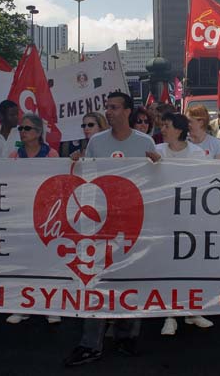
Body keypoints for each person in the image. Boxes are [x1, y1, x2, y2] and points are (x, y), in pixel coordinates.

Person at [64, 91, 157, 366]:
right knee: (95, 280)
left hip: (132, 222)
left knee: (131, 279)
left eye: (114, 107)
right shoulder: (96, 142)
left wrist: (159, 168)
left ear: (128, 111)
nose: (109, 112)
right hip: (101, 223)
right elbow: (88, 179)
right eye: (107, 107)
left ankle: (127, 335)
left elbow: (154, 182)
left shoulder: (145, 142)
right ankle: (90, 343)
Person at [156, 113, 212, 336]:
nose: (162, 129)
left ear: (178, 130)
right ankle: (169, 315)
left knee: (190, 265)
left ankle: (192, 310)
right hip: (163, 218)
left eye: (166, 126)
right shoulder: (157, 151)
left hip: (190, 218)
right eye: (162, 125)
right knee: (169, 266)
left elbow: (204, 181)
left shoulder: (196, 153)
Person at [6, 114, 61, 326]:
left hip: (45, 215)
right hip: (21, 214)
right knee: (23, 262)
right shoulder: (13, 156)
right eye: (21, 128)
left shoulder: (52, 155)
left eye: (27, 129)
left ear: (38, 133)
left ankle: (51, 305)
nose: (23, 132)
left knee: (47, 261)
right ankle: (23, 305)